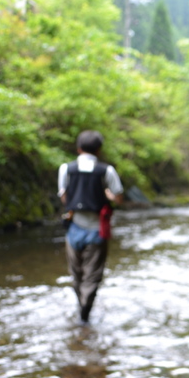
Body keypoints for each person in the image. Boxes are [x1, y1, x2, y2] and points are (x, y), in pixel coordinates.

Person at [57, 130, 123, 324]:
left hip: (73, 228)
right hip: (97, 230)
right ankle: (86, 311)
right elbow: (118, 197)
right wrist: (107, 194)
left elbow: (64, 197)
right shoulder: (107, 171)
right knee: (92, 275)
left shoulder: (66, 169)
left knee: (76, 273)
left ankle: (80, 306)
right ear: (99, 150)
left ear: (78, 149)